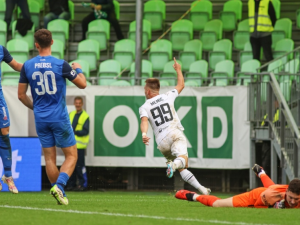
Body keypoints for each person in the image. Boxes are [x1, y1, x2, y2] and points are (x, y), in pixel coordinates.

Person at [18, 29, 87, 205]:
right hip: (59, 118)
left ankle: (58, 192)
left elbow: (21, 95)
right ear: (52, 42)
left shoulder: (27, 66)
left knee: (49, 158)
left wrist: (37, 108)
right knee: (72, 156)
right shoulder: (60, 64)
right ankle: (60, 187)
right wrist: (77, 68)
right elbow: (82, 84)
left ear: (36, 45)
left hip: (41, 119)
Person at [139, 58, 210, 195]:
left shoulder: (144, 106)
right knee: (182, 161)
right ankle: (173, 165)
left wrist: (144, 134)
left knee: (181, 167)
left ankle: (202, 189)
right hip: (174, 133)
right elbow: (181, 85)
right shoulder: (168, 96)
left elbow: (144, 122)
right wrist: (178, 69)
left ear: (148, 92)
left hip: (161, 143)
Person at [175, 164, 300, 209]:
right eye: (290, 198)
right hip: (255, 197)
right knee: (217, 204)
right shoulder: (272, 195)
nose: (293, 202)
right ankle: (194, 196)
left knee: (272, 187)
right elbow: (256, 206)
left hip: (271, 191)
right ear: (287, 191)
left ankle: (261, 172)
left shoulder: (286, 193)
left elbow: (272, 186)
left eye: (296, 199)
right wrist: (274, 207)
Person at [0, 46, 23, 194]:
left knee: (4, 131)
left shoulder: (1, 49)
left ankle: (8, 175)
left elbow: (15, 65)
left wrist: (32, 67)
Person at [67, 96, 90, 191]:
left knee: (80, 166)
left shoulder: (85, 116)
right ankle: (71, 184)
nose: (78, 105)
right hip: (71, 145)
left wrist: (74, 132)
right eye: (76, 103)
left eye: (79, 103)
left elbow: (85, 131)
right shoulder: (71, 114)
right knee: (71, 165)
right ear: (74, 104)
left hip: (80, 146)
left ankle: (82, 184)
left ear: (82, 104)